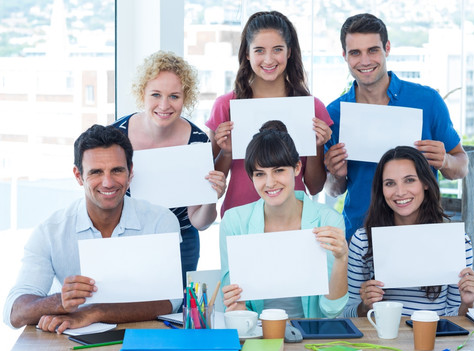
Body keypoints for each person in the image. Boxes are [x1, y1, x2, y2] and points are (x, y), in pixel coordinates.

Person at [3, 125, 182, 333]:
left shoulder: (161, 221)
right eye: (96, 172)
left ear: (130, 172)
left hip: (146, 337)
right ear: (78, 176)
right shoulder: (50, 232)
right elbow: (13, 312)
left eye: (117, 170)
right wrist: (60, 302)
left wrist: (94, 311)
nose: (108, 182)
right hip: (72, 345)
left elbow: (171, 301)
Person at [324, 13, 469, 240]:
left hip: (421, 233)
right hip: (360, 237)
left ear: (387, 48)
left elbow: (461, 166)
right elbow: (333, 190)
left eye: (372, 50)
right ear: (344, 56)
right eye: (355, 53)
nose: (364, 61)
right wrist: (336, 175)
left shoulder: (427, 101)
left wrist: (446, 161)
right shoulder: (334, 114)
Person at [112, 50, 226, 283]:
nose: (164, 105)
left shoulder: (197, 141)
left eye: (174, 96)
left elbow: (200, 222)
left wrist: (211, 196)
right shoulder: (115, 136)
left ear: (186, 98)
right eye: (156, 94)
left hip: (181, 241)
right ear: (141, 93)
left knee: (175, 314)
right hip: (126, 239)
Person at [206, 10, 333, 217]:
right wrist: (227, 152)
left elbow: (314, 187)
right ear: (247, 54)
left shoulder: (313, 107)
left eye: (277, 49)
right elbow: (212, 186)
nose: (268, 59)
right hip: (239, 218)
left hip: (294, 219)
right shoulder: (225, 106)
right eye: (259, 50)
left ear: (289, 52)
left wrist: (318, 147)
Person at [220, 121, 348, 318]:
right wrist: (238, 309)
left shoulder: (328, 220)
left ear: (297, 168)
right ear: (251, 177)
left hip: (312, 335)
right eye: (260, 174)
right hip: (259, 331)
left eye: (279, 170)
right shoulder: (234, 221)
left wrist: (341, 259)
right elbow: (235, 302)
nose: (270, 183)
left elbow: (332, 310)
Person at [343, 146, 474, 317]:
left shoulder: (458, 242)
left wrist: (468, 303)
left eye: (409, 180)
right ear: (382, 190)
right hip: (380, 340)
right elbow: (347, 314)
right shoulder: (363, 240)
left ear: (425, 184)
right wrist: (365, 306)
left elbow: (455, 318)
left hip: (434, 340)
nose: (400, 192)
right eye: (390, 183)